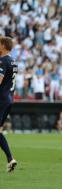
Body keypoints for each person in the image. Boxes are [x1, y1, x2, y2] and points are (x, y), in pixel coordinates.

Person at [0, 36, 18, 172]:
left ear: (3, 46)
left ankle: (10, 158)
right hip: (9, 100)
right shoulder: (13, 61)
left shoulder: (2, 61)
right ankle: (10, 159)